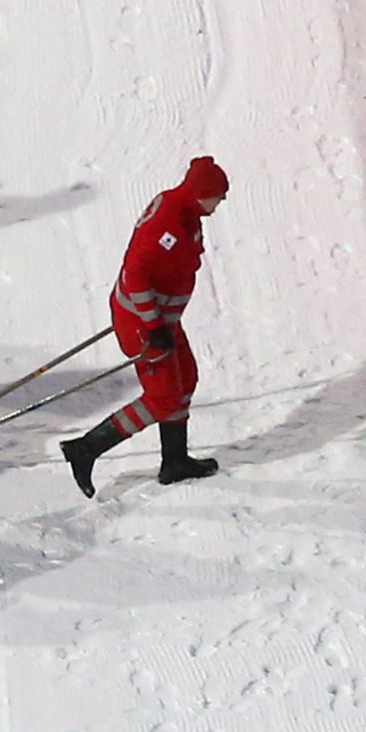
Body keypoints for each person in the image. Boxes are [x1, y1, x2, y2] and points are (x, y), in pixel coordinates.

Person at [59, 156, 230, 497]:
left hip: (162, 319)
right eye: (218, 195)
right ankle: (86, 449)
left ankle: (174, 461)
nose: (220, 202)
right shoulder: (169, 224)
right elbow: (136, 273)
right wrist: (152, 326)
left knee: (185, 379)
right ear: (200, 193)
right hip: (143, 323)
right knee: (163, 397)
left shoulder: (183, 208)